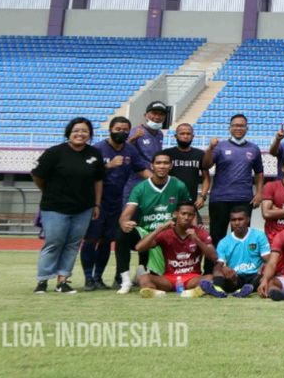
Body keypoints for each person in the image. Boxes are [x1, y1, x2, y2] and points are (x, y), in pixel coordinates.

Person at [32, 117, 104, 294]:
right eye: (76, 131)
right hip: (55, 207)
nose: (80, 134)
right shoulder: (54, 153)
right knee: (54, 243)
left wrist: (96, 204)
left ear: (90, 134)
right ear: (69, 133)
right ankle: (42, 281)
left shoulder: (95, 154)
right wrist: (49, 191)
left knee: (73, 244)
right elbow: (38, 176)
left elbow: (98, 180)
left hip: (84, 208)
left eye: (85, 131)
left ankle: (62, 281)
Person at [116, 152, 192, 294]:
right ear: (152, 166)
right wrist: (124, 223)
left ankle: (143, 271)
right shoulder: (141, 188)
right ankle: (125, 280)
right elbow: (125, 215)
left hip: (169, 235)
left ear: (171, 166)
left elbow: (189, 210)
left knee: (159, 278)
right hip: (147, 233)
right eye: (158, 163)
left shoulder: (178, 185)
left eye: (165, 163)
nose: (162, 166)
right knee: (123, 232)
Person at [202, 114, 263, 267]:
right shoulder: (219, 146)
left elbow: (259, 173)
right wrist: (210, 148)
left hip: (243, 199)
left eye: (242, 125)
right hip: (220, 198)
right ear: (230, 128)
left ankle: (242, 269)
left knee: (242, 236)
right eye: (235, 125)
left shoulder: (254, 149)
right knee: (217, 236)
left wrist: (259, 193)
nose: (238, 128)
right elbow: (206, 165)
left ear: (247, 128)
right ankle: (211, 271)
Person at [80, 116, 133, 290]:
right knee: (90, 240)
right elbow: (86, 173)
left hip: (116, 203)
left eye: (125, 130)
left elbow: (142, 169)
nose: (122, 132)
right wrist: (108, 166)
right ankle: (88, 278)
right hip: (96, 202)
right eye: (118, 129)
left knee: (107, 241)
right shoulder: (97, 149)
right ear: (110, 129)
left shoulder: (130, 150)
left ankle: (98, 277)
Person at [133, 201, 215, 298]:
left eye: (190, 215)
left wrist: (197, 240)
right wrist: (159, 230)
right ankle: (156, 294)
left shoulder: (200, 233)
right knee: (144, 278)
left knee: (210, 278)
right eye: (183, 214)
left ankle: (193, 292)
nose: (186, 217)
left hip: (192, 278)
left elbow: (214, 256)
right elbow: (139, 247)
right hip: (169, 279)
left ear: (194, 216)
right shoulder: (166, 233)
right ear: (176, 214)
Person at [199, 205, 268, 298]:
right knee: (219, 271)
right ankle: (217, 289)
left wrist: (264, 266)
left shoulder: (259, 235)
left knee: (266, 272)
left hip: (255, 275)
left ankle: (245, 289)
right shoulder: (224, 242)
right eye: (233, 220)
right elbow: (218, 265)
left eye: (240, 219)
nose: (237, 223)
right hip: (236, 277)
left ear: (248, 219)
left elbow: (268, 259)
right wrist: (223, 268)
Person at [125, 101, 170, 203]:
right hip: (135, 181)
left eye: (161, 114)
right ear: (146, 115)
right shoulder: (135, 132)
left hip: (153, 180)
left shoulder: (160, 134)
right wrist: (133, 139)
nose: (157, 117)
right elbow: (124, 151)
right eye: (154, 113)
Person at [160, 122, 209, 212]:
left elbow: (206, 178)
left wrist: (202, 197)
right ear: (176, 136)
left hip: (191, 202)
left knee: (195, 226)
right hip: (168, 200)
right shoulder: (166, 153)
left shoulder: (200, 154)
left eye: (188, 134)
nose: (185, 136)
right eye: (182, 133)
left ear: (193, 136)